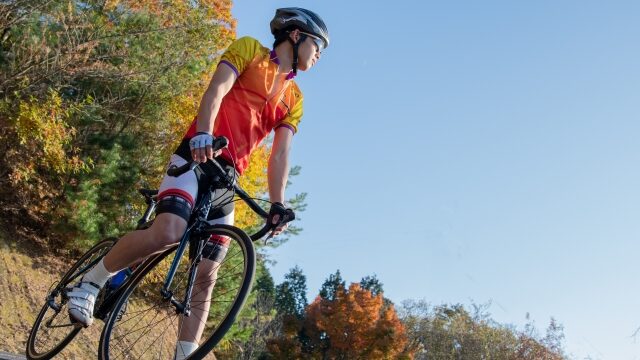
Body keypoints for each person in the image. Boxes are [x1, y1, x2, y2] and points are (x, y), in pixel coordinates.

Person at [65, 7, 329, 359]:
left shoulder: (295, 99)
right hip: (198, 156)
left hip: (227, 180)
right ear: (296, 35)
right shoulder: (250, 50)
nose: (320, 53)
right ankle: (91, 282)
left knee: (208, 273)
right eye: (318, 44)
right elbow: (217, 89)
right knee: (168, 233)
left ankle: (185, 355)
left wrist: (277, 204)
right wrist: (203, 133)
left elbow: (280, 154)